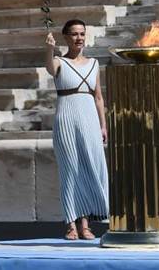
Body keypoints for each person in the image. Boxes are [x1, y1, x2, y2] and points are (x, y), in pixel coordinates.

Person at [43, 19, 108, 241]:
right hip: (67, 119)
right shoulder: (60, 61)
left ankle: (86, 224)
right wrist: (49, 49)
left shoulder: (94, 63)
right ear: (66, 37)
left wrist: (103, 125)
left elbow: (98, 97)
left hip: (89, 118)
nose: (78, 38)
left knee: (90, 168)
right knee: (70, 170)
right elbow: (50, 69)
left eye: (82, 33)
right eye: (74, 34)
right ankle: (70, 224)